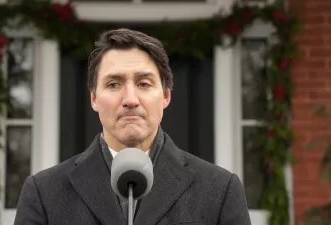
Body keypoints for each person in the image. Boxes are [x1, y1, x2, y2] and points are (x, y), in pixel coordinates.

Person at [14, 28, 252, 225]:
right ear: (94, 99)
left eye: (144, 84)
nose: (130, 99)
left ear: (166, 96)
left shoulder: (220, 191)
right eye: (114, 84)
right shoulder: (44, 193)